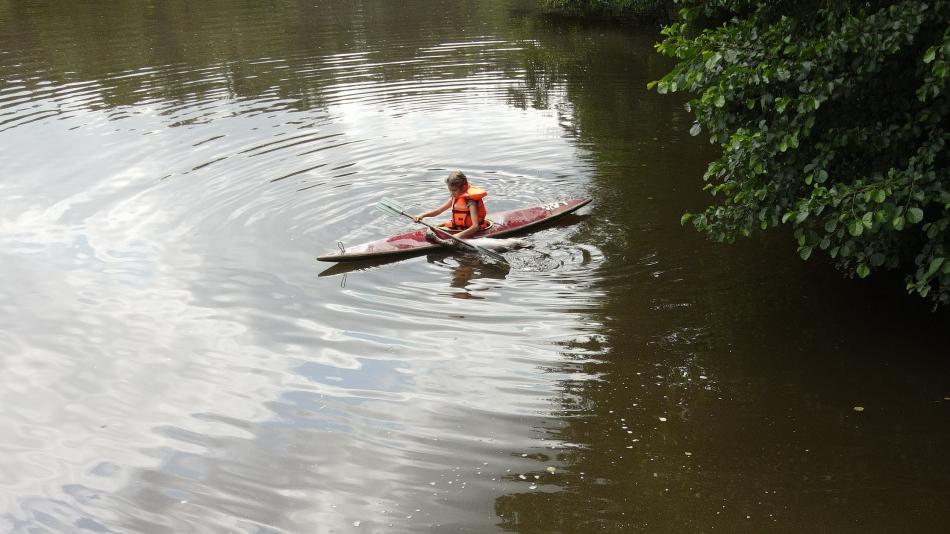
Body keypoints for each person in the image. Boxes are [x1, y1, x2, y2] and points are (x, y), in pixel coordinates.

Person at [413, 170, 489, 246]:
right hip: (457, 228)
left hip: (473, 231)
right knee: (432, 230)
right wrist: (422, 215)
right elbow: (439, 211)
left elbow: (475, 227)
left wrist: (459, 235)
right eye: (450, 190)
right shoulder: (455, 197)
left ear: (464, 187)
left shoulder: (471, 202)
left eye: (454, 190)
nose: (452, 193)